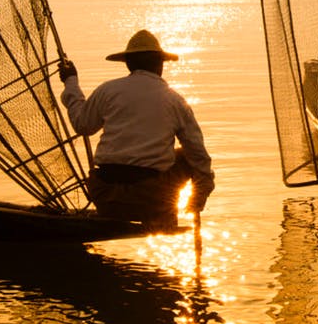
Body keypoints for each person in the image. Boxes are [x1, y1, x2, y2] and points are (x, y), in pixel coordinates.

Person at [57, 29, 214, 224]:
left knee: (186, 157)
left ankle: (147, 208)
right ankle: (165, 213)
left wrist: (71, 82)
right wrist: (200, 194)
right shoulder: (174, 100)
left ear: (129, 64)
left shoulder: (108, 90)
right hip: (150, 199)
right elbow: (199, 156)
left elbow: (82, 125)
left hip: (105, 194)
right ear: (160, 65)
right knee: (189, 157)